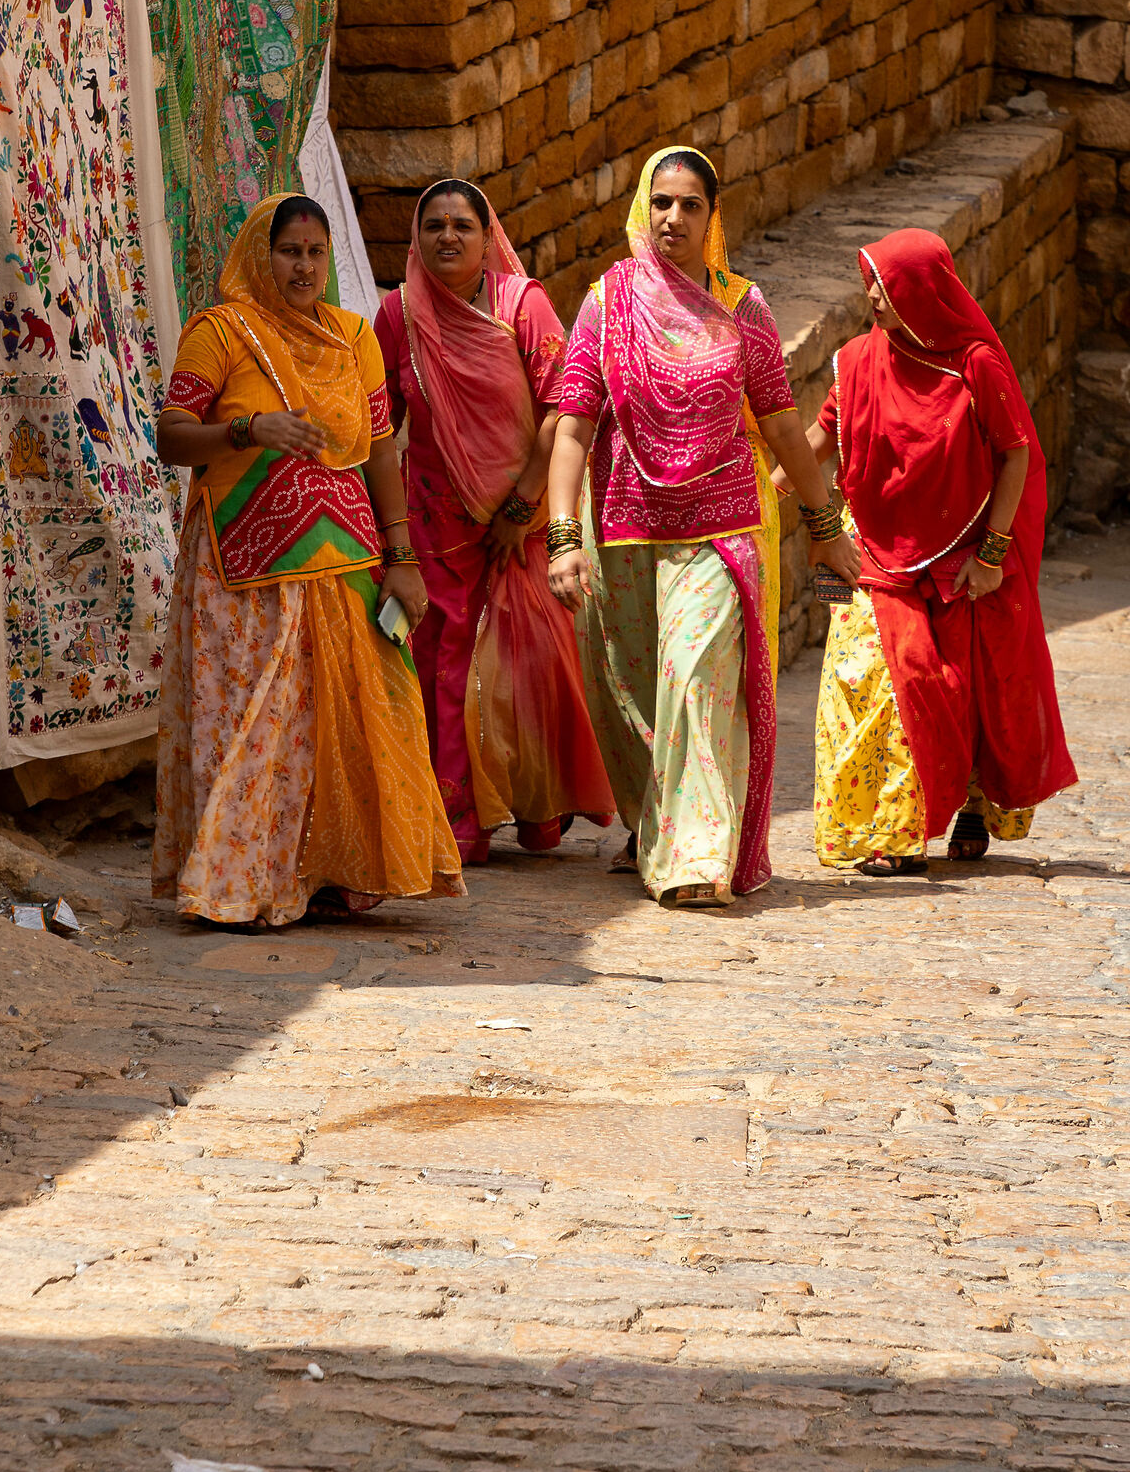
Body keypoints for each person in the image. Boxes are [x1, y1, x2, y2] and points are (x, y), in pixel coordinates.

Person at [547, 145, 859, 908]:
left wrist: (823, 525)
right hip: (622, 529)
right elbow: (573, 426)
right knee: (630, 697)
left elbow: (785, 429)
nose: (673, 218)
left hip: (720, 531)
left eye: (690, 205)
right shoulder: (606, 302)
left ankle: (695, 856)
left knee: (694, 685)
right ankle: (653, 819)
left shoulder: (741, 306)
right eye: (661, 203)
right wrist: (561, 536)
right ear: (641, 210)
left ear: (713, 218)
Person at [151, 192, 464, 924]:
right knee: (257, 726)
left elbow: (381, 448)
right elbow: (170, 437)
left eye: (316, 253)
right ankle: (239, 882)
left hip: (347, 566)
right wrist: (247, 431)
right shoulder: (220, 333)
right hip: (245, 574)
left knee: (355, 722)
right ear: (261, 256)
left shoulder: (354, 337)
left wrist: (403, 555)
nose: (304, 266)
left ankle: (337, 868)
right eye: (289, 251)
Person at [795, 227, 1077, 878]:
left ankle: (968, 807)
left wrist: (993, 553)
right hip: (867, 550)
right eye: (869, 279)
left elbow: (1015, 452)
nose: (872, 294)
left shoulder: (974, 363)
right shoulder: (857, 360)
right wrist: (744, 483)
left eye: (886, 284)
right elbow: (813, 445)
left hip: (964, 557)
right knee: (875, 682)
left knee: (964, 689)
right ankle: (889, 831)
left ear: (921, 291)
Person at [375, 178, 614, 864]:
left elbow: (564, 407)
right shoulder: (398, 316)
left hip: (520, 519)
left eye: (462, 226)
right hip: (433, 522)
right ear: (416, 239)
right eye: (434, 226)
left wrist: (520, 504)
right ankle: (458, 821)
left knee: (529, 666)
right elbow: (379, 427)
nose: (448, 237)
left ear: (488, 238)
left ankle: (541, 808)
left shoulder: (522, 305)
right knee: (445, 669)